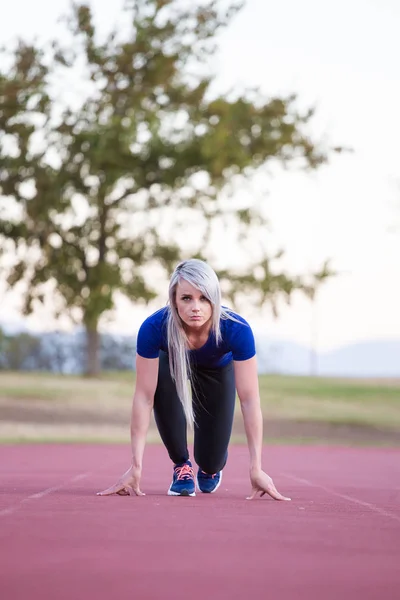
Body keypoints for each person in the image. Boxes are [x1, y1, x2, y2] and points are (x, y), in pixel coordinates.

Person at [98, 259, 291, 501]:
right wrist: (136, 467)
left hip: (216, 370)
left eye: (204, 298)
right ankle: (181, 466)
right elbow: (144, 397)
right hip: (172, 361)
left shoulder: (236, 329)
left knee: (211, 460)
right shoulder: (154, 328)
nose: (195, 307)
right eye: (186, 298)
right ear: (174, 300)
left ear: (215, 299)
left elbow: (250, 400)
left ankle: (210, 468)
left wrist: (256, 468)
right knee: (160, 375)